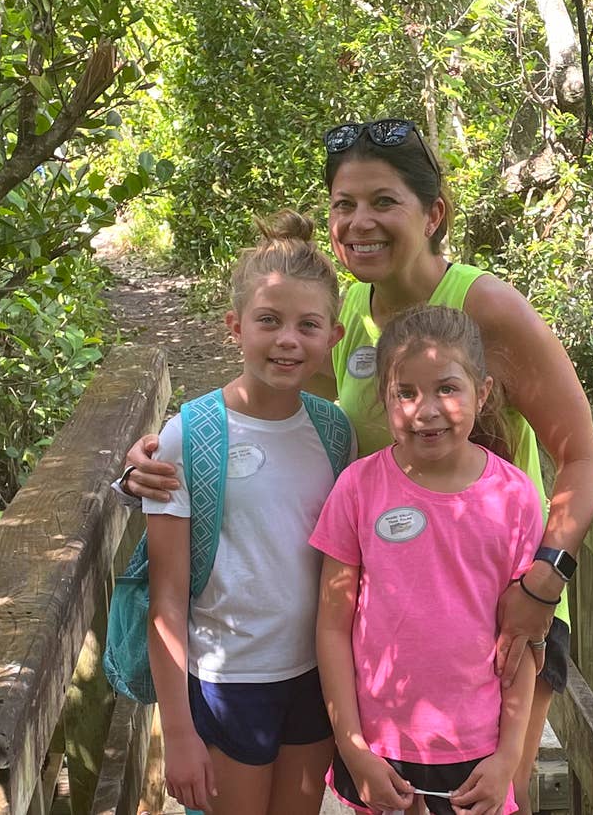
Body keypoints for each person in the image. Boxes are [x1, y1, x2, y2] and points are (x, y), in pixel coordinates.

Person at [122, 118, 593, 813]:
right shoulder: (345, 307)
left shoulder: (486, 308)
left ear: (433, 213)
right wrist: (159, 450)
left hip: (500, 618)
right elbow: (284, 426)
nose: (359, 223)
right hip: (389, 636)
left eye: (383, 201)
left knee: (490, 799)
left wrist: (544, 579)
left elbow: (582, 457)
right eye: (344, 205)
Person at [143, 210, 354, 815]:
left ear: (332, 338)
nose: (288, 340)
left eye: (307, 325)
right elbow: (167, 599)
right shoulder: (191, 434)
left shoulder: (334, 431)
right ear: (235, 327)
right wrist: (178, 734)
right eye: (269, 321)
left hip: (314, 676)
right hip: (226, 680)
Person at [312, 305, 541, 815]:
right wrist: (352, 747)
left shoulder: (515, 496)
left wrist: (509, 755)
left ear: (481, 394)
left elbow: (524, 641)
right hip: (380, 746)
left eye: (446, 388)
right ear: (384, 399)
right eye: (406, 392)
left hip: (477, 749)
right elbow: (332, 625)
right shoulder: (358, 488)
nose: (426, 409)